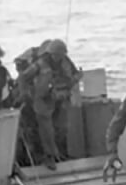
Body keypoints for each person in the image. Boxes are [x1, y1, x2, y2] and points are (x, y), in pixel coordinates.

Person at [17, 39, 80, 170]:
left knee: (62, 128)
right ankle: (49, 156)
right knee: (46, 130)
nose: (58, 57)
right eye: (56, 54)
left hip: (60, 98)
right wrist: (25, 93)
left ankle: (60, 154)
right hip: (42, 99)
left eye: (61, 54)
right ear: (50, 54)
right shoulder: (40, 64)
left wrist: (74, 80)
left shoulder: (66, 62)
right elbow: (23, 77)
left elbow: (74, 75)